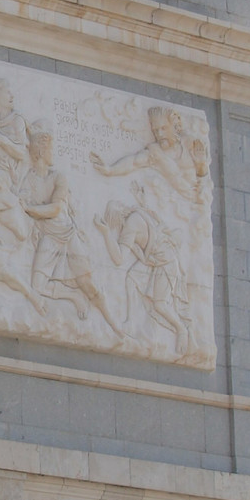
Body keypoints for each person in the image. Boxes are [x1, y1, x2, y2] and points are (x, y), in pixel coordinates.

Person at [21, 127, 124, 336]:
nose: (53, 153)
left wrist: (30, 209)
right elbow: (19, 202)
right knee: (37, 286)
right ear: (40, 151)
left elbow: (56, 209)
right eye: (50, 149)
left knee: (87, 283)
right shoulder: (29, 179)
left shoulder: (59, 177)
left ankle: (114, 325)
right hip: (49, 236)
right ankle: (74, 296)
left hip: (68, 234)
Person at [94, 196, 191, 355]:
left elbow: (118, 259)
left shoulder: (130, 226)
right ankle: (131, 323)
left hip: (166, 262)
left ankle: (182, 330)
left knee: (160, 305)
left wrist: (105, 233)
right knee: (131, 278)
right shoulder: (136, 213)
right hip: (154, 259)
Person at [89, 106, 208, 203]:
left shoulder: (190, 143)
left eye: (164, 128)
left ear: (175, 126)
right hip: (174, 204)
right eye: (155, 130)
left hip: (197, 201)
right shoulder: (155, 153)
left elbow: (202, 175)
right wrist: (110, 170)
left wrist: (201, 164)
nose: (159, 134)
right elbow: (133, 162)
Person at [0, 78, 29, 190]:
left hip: (11, 174)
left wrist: (2, 140)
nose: (12, 96)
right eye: (7, 92)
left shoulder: (17, 120)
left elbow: (23, 153)